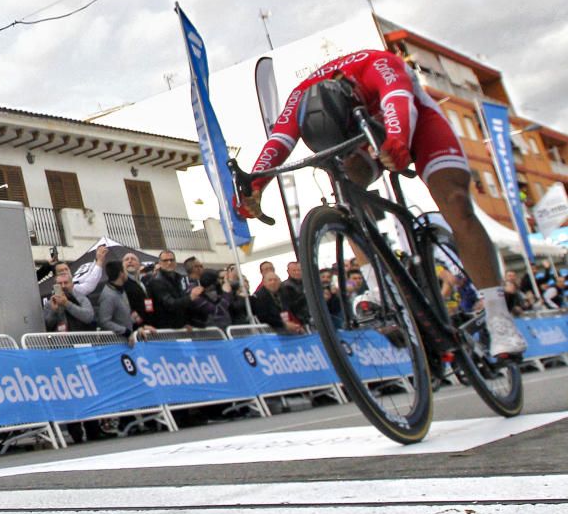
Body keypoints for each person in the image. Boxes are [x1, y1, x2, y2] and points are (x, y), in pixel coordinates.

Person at [238, 49, 526, 357]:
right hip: (360, 135)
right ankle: (379, 286)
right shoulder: (300, 97)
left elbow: (398, 101)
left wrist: (398, 143)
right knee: (345, 186)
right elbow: (278, 142)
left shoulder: (377, 65)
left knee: (456, 204)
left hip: (414, 121)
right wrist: (254, 185)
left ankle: (499, 317)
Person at [98, 260, 155, 341]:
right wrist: (126, 332)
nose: (127, 273)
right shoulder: (108, 295)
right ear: (121, 273)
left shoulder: (121, 291)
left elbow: (125, 316)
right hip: (114, 343)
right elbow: (104, 321)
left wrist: (141, 327)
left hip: (126, 342)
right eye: (125, 270)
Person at [145, 250, 190, 329]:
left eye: (172, 260)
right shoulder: (156, 281)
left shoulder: (181, 278)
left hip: (182, 325)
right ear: (160, 263)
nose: (169, 262)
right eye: (165, 260)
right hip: (164, 327)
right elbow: (170, 304)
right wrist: (191, 297)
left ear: (175, 262)